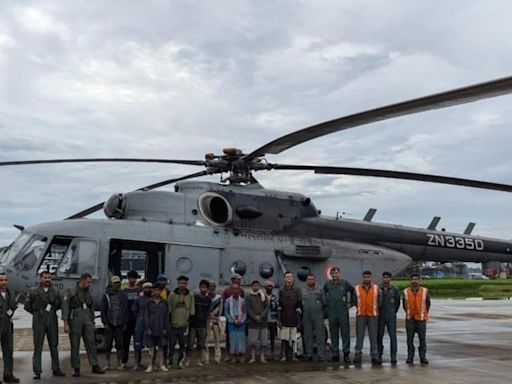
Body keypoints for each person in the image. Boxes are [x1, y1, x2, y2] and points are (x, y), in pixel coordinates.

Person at [62, 272, 105, 377]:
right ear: (82, 280)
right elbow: (65, 307)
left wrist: (93, 320)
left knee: (91, 342)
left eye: (90, 282)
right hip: (75, 318)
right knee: (75, 344)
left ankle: (95, 365)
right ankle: (76, 368)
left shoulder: (88, 292)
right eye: (88, 282)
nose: (90, 284)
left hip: (87, 318)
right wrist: (66, 324)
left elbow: (91, 306)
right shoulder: (71, 291)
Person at [25, 270, 65, 380]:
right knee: (38, 346)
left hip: (52, 319)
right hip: (39, 319)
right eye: (45, 278)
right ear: (40, 278)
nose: (47, 280)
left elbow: (59, 304)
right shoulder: (33, 291)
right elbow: (27, 305)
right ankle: (37, 371)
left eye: (49, 278)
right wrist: (37, 313)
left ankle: (56, 368)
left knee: (54, 344)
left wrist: (51, 311)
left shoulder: (56, 291)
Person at [323, 266, 354, 363]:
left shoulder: (344, 283)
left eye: (336, 273)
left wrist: (351, 302)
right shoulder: (327, 284)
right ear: (330, 275)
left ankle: (346, 354)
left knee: (345, 333)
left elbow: (353, 291)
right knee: (333, 334)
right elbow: (323, 294)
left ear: (339, 274)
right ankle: (335, 354)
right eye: (333, 273)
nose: (334, 275)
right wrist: (326, 304)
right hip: (332, 312)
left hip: (343, 312)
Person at [101, 275, 129, 370]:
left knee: (119, 344)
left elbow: (126, 310)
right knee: (108, 345)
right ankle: (107, 364)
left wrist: (125, 322)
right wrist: (104, 322)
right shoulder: (106, 295)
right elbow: (103, 310)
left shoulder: (123, 295)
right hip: (109, 323)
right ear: (111, 284)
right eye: (115, 283)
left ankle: (119, 363)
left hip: (120, 323)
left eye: (118, 282)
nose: (117, 284)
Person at [353, 271, 382, 365]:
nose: (366, 279)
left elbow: (380, 301)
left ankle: (374, 356)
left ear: (371, 278)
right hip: (361, 315)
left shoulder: (377, 288)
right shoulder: (357, 288)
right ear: (362, 278)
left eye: (368, 277)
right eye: (365, 277)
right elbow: (354, 300)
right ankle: (357, 355)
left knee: (373, 337)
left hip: (372, 315)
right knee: (359, 337)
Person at [403, 274, 431, 365]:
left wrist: (423, 312)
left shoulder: (424, 291)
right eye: (413, 279)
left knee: (422, 339)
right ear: (410, 281)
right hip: (410, 318)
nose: (414, 281)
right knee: (409, 339)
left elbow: (427, 303)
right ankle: (410, 357)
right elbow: (404, 304)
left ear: (419, 281)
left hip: (421, 318)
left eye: (416, 279)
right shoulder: (406, 291)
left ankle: (423, 357)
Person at [167, 275, 195, 368]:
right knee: (171, 345)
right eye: (181, 283)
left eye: (184, 283)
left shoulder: (190, 295)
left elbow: (192, 311)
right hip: (174, 324)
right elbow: (169, 310)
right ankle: (170, 362)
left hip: (184, 325)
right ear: (178, 283)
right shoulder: (171, 295)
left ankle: (180, 361)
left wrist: (188, 322)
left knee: (183, 345)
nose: (183, 285)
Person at [144, 284, 169, 373]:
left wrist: (166, 328)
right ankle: (150, 365)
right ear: (153, 291)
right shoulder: (148, 302)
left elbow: (166, 316)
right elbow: (146, 315)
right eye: (155, 290)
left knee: (161, 348)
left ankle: (161, 364)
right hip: (151, 328)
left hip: (161, 328)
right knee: (151, 349)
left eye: (159, 290)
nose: (157, 292)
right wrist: (147, 328)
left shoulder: (165, 302)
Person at [301, 274, 327, 362]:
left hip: (318, 315)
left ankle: (321, 354)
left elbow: (324, 303)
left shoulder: (320, 290)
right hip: (306, 316)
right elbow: (300, 303)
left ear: (314, 280)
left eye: (312, 279)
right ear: (306, 281)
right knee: (307, 335)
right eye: (309, 279)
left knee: (320, 335)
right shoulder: (303, 291)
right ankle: (309, 353)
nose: (311, 281)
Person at [377, 271, 400, 365]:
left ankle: (393, 355)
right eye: (384, 277)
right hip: (380, 315)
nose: (386, 279)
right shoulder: (378, 289)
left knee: (393, 336)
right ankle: (379, 354)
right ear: (382, 278)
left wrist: (393, 312)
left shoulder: (395, 289)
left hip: (391, 316)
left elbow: (397, 303)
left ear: (390, 278)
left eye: (387, 277)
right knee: (379, 336)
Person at [278, 271, 302, 362]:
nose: (289, 278)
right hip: (284, 316)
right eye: (287, 277)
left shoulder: (297, 290)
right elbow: (279, 305)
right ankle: (283, 355)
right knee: (284, 338)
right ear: (284, 279)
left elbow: (299, 305)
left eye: (290, 277)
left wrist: (299, 320)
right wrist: (279, 320)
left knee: (293, 339)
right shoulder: (281, 290)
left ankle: (292, 355)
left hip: (294, 317)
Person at [0, 272, 19, 383]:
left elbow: (13, 306)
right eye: (1, 280)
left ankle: (8, 374)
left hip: (7, 325)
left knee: (8, 351)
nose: (3, 282)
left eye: (5, 280)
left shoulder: (10, 293)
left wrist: (9, 313)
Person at [188, 280, 211, 366]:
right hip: (193, 324)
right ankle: (188, 360)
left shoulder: (208, 300)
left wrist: (207, 327)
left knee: (200, 345)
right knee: (190, 344)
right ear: (199, 287)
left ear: (207, 289)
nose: (203, 289)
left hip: (202, 325)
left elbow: (208, 314)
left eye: (205, 287)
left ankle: (199, 360)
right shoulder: (195, 297)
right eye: (202, 287)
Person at [246, 280, 270, 363]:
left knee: (263, 341)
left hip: (263, 321)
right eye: (254, 285)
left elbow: (267, 307)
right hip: (253, 322)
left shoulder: (264, 296)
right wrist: (254, 316)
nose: (256, 287)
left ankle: (262, 356)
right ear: (252, 286)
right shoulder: (248, 296)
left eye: (257, 285)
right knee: (252, 342)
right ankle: (252, 357)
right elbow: (247, 308)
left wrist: (261, 316)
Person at [222, 273, 244, 361]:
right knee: (229, 338)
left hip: (240, 318)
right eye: (237, 279)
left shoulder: (241, 290)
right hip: (230, 318)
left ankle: (239, 355)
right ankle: (229, 355)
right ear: (232, 280)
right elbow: (223, 303)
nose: (239, 281)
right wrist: (229, 317)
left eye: (239, 279)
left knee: (240, 337)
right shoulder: (226, 290)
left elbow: (243, 303)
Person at [122, 270, 141, 368]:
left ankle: (138, 362)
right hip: (127, 320)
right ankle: (124, 361)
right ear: (128, 279)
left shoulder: (139, 291)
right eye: (130, 278)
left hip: (137, 321)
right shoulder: (124, 291)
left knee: (138, 342)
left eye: (134, 278)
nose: (132, 280)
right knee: (125, 342)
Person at [132, 281, 153, 370]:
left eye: (149, 288)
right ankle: (137, 363)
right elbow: (134, 310)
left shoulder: (154, 299)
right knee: (137, 346)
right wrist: (140, 318)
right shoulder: (138, 299)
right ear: (143, 289)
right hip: (139, 325)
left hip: (151, 325)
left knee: (151, 345)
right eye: (146, 288)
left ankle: (151, 364)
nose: (147, 289)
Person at [207, 281, 222, 364]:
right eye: (210, 286)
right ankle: (206, 358)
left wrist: (217, 317)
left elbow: (220, 309)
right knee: (206, 340)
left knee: (217, 340)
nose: (212, 288)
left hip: (216, 320)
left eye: (213, 286)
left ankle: (217, 358)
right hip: (208, 320)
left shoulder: (219, 298)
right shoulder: (205, 297)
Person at [264, 280, 278, 360]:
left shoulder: (275, 297)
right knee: (264, 337)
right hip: (265, 320)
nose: (269, 288)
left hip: (273, 319)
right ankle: (265, 353)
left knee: (273, 337)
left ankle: (272, 353)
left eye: (270, 286)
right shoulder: (262, 296)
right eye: (268, 286)